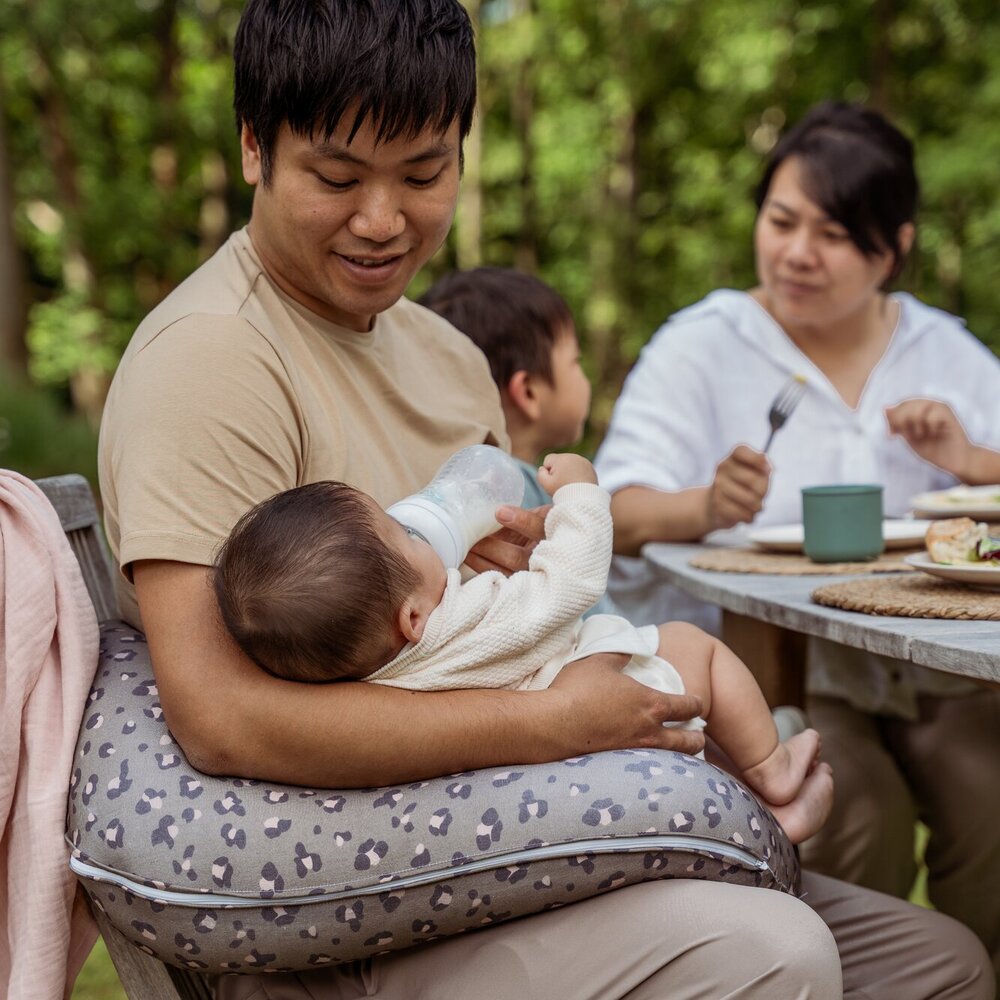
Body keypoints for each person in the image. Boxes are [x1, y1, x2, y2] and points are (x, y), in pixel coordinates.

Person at [95, 0, 993, 992]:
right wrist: (560, 723)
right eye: (338, 177)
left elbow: (527, 601)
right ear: (255, 147)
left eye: (425, 174)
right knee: (774, 955)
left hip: (552, 830)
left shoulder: (443, 355)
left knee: (940, 963)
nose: (384, 219)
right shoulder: (214, 360)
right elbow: (222, 717)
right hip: (368, 910)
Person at [595, 99, 1000, 987]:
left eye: (832, 233)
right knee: (855, 805)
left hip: (943, 666)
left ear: (892, 249)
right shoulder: (706, 344)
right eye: (780, 222)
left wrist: (971, 459)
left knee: (990, 799)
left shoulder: (944, 350)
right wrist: (701, 503)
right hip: (776, 666)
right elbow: (610, 511)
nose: (796, 252)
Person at [213, 453, 833, 845]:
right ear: (411, 617)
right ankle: (770, 778)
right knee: (692, 645)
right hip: (612, 716)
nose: (416, 524)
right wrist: (583, 499)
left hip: (547, 788)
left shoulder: (369, 682)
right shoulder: (466, 619)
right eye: (403, 534)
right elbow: (570, 586)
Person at [419, 268, 591, 508]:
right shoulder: (532, 496)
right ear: (528, 392)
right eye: (575, 361)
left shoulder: (439, 482)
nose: (585, 379)